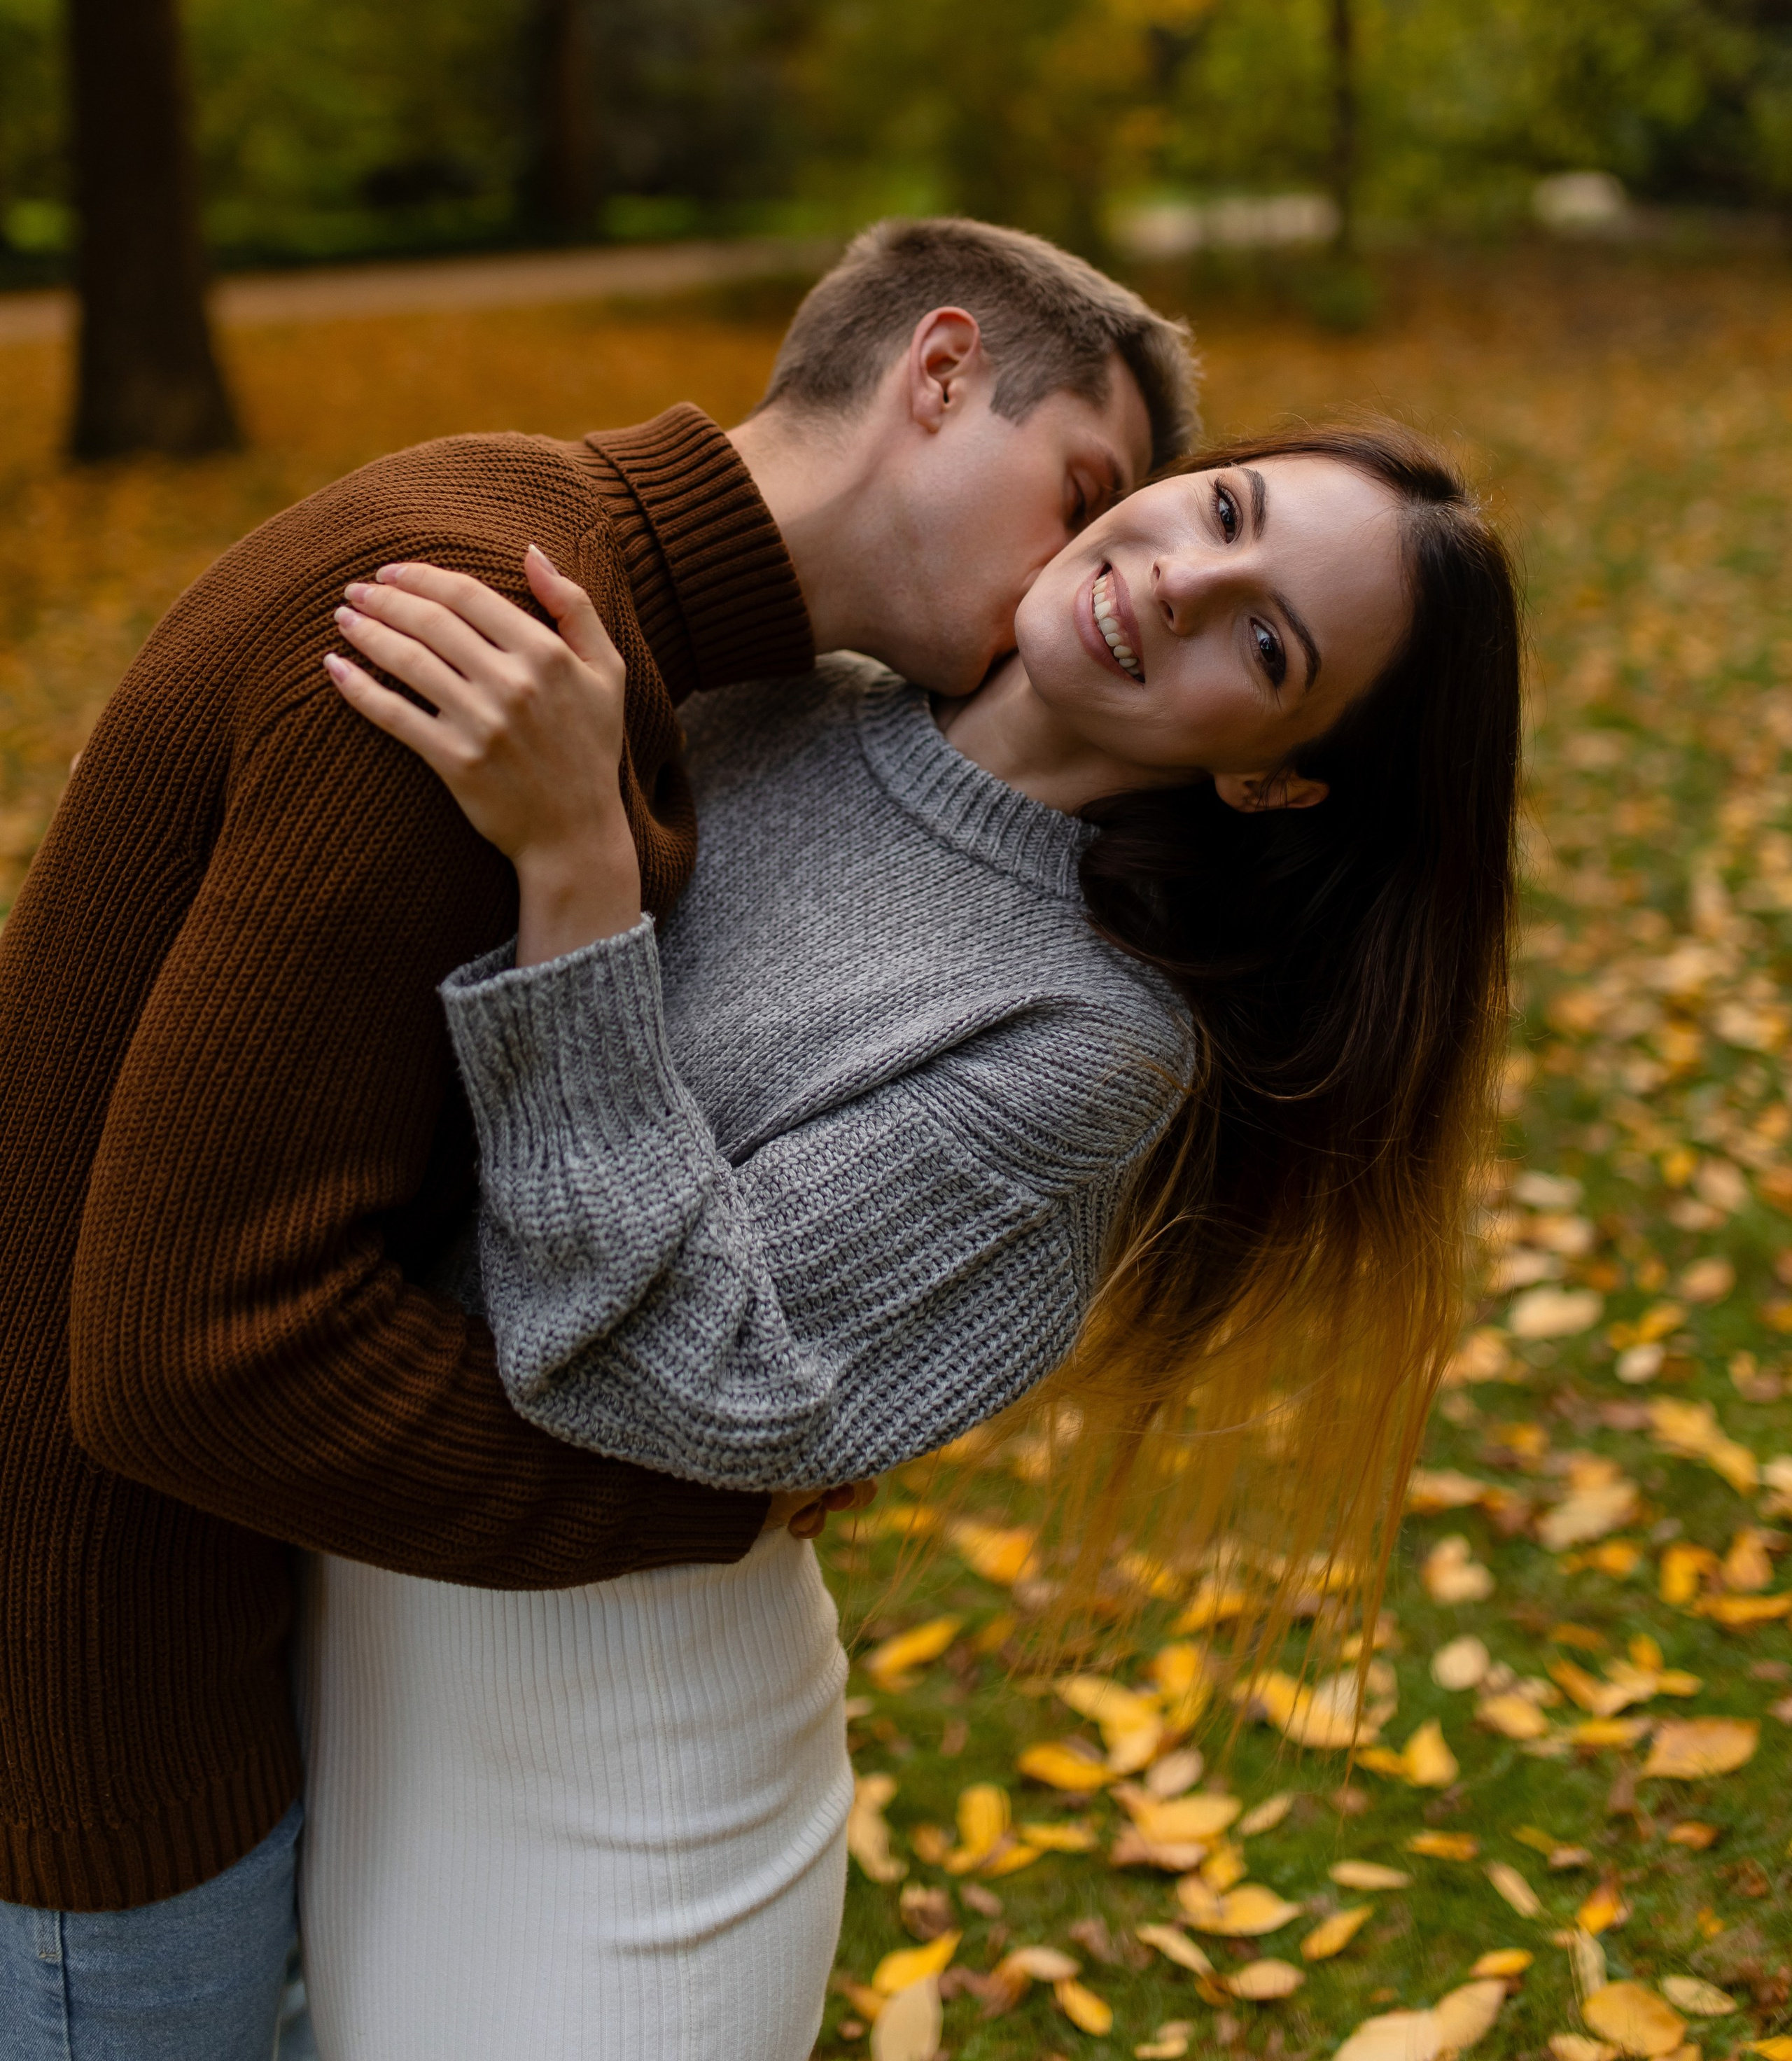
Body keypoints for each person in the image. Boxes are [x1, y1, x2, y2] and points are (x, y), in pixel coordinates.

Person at [0, 218, 1193, 2060]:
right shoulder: (482, 630)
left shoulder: (597, 620)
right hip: (102, 1737)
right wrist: (692, 1489)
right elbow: (185, 1365)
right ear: (940, 372)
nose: (1087, 575)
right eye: (1088, 490)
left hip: (231, 1682)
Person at [303, 421, 1522, 2060]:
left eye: (1262, 640)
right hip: (320, 1615)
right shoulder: (776, 693)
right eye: (1221, 511)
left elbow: (673, 1376)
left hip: (606, 1752)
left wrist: (576, 865)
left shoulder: (1087, 1035)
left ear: (1271, 776)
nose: (1178, 583)